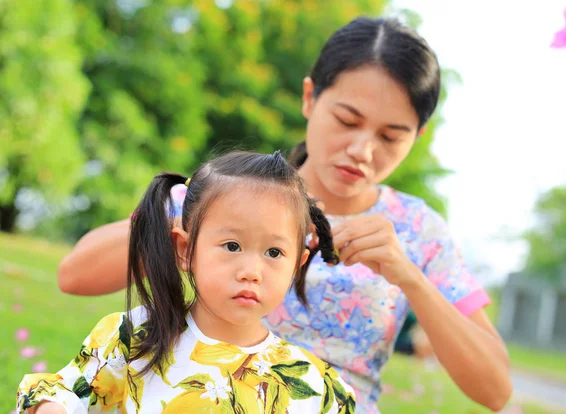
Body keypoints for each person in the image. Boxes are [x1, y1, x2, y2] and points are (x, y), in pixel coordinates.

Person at [57, 17, 512, 413]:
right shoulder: (236, 196)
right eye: (347, 120)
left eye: (392, 136)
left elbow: (495, 390)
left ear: (418, 135)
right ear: (311, 97)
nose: (362, 150)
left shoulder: (418, 229)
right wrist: (187, 205)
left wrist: (409, 275)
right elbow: (74, 276)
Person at [16, 151, 356, 413]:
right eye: (232, 246)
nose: (252, 270)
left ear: (297, 265)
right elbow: (62, 390)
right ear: (185, 249)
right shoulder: (137, 337)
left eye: (274, 252)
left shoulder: (315, 385)